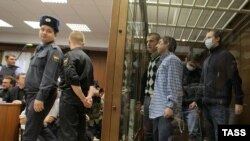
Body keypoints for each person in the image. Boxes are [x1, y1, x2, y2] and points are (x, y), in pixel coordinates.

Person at [22, 15, 63, 141]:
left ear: (55, 35)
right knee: (38, 128)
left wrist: (40, 97)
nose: (44, 33)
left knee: (29, 132)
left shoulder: (54, 51)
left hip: (40, 95)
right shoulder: (40, 48)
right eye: (42, 29)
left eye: (49, 31)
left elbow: (49, 77)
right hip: (32, 94)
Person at [201, 30, 244, 141]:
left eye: (209, 37)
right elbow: (202, 82)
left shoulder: (226, 56)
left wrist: (239, 101)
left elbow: (235, 79)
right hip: (206, 105)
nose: (206, 40)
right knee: (209, 136)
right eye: (205, 38)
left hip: (219, 105)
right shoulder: (207, 60)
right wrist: (197, 100)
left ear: (217, 38)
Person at [58, 31, 96, 141]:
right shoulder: (88, 59)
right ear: (83, 43)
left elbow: (73, 81)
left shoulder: (68, 56)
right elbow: (92, 84)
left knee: (68, 135)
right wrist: (88, 98)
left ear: (69, 41)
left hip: (70, 100)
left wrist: (84, 99)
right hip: (82, 102)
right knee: (80, 134)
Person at [149, 36, 183, 141]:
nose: (157, 45)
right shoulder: (163, 61)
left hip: (166, 110)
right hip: (158, 110)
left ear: (167, 44)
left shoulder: (172, 60)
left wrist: (170, 106)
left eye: (159, 42)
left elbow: (175, 84)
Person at [140, 32, 161, 141]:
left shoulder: (161, 59)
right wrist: (143, 102)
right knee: (147, 130)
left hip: (156, 99)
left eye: (151, 41)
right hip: (148, 98)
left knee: (155, 130)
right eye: (147, 41)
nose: (148, 44)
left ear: (158, 43)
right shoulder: (152, 59)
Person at [182, 54, 202, 141]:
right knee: (175, 131)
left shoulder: (200, 72)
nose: (192, 67)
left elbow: (202, 88)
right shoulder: (179, 69)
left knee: (193, 132)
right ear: (186, 60)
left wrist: (196, 101)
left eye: (194, 65)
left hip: (192, 105)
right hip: (178, 104)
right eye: (191, 64)